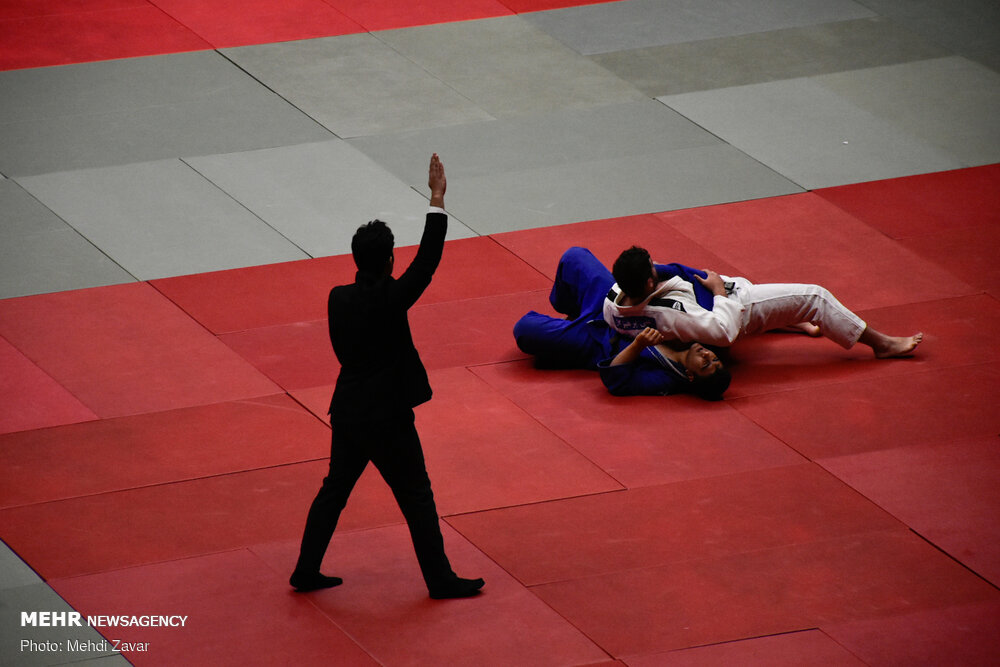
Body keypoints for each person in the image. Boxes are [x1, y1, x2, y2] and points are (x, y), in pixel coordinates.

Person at [290, 154, 484, 600]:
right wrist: (436, 199)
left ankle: (305, 569)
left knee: (334, 490)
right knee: (417, 496)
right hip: (389, 418)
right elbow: (429, 260)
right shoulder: (393, 298)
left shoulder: (337, 299)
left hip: (349, 412)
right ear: (391, 260)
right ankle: (439, 580)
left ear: (356, 259)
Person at [604, 245, 923, 358]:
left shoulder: (613, 302)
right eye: (652, 270)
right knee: (814, 296)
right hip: (738, 308)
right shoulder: (670, 312)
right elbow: (722, 333)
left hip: (728, 301)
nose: (656, 267)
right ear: (647, 283)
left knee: (771, 300)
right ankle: (881, 344)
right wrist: (718, 291)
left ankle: (789, 323)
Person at [514, 247, 731, 400]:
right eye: (713, 359)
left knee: (525, 330)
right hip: (616, 304)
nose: (706, 355)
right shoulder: (706, 334)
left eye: (705, 364)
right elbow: (722, 316)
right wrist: (719, 289)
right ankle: (573, 310)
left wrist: (638, 344)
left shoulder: (665, 379)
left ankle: (572, 325)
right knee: (574, 256)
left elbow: (617, 382)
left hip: (596, 341)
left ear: (690, 376)